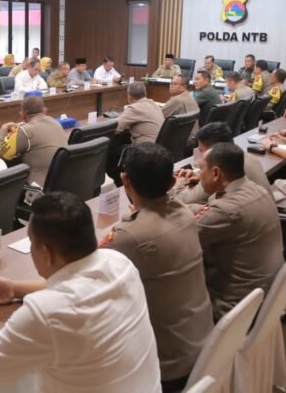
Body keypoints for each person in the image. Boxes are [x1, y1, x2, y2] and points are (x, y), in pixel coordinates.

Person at [0, 192, 161, 392]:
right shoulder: (119, 262)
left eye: (32, 243)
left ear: (46, 252)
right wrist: (14, 288)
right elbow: (77, 287)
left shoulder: (45, 312)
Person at [100, 144, 213, 392]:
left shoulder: (130, 237)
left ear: (124, 180)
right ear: (172, 183)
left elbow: (78, 274)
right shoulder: (185, 214)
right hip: (203, 346)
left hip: (166, 367)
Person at [192, 143, 284, 321]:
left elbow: (178, 234)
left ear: (216, 173)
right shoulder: (255, 189)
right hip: (265, 295)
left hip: (232, 306)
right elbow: (208, 212)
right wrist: (186, 208)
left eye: (201, 168)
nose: (198, 173)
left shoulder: (227, 211)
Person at [173, 122, 272, 205]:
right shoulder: (247, 157)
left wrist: (177, 184)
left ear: (215, 151)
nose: (201, 158)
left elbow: (186, 200)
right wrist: (201, 176)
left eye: (202, 151)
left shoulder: (223, 168)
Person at [0, 96, 67, 186]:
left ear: (22, 115)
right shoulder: (57, 123)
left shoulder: (24, 131)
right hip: (61, 181)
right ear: (45, 111)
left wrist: (3, 130)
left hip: (38, 187)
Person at [161, 74, 199, 140]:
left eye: (175, 84)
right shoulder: (189, 97)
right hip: (191, 137)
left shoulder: (177, 100)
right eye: (171, 83)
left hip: (180, 138)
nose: (171, 86)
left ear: (184, 87)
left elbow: (159, 116)